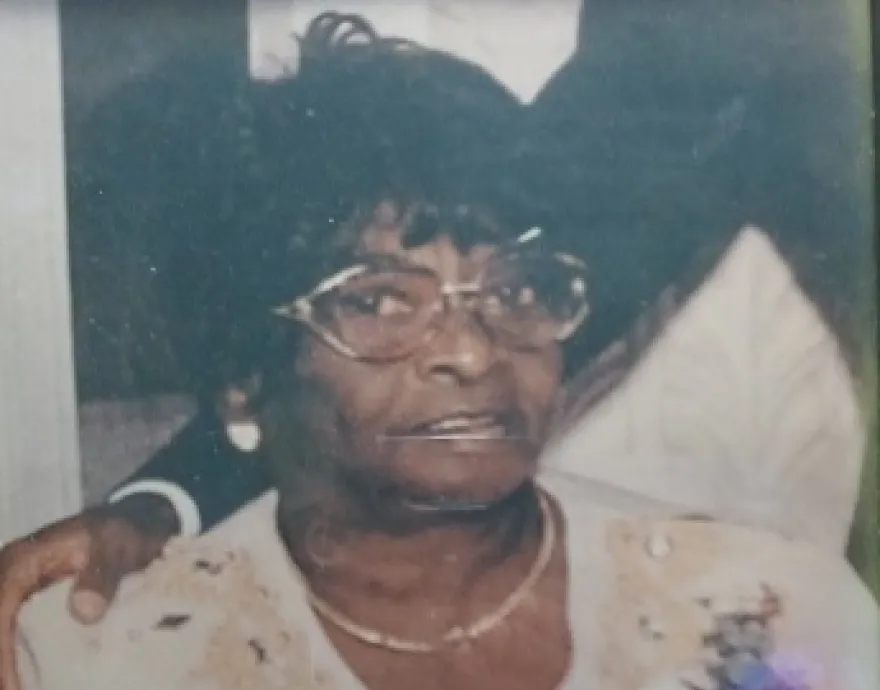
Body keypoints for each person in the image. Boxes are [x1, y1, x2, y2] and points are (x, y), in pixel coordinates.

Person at [3, 15, 877, 690]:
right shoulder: (101, 661)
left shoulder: (781, 614)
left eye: (515, 292)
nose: (469, 347)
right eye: (380, 298)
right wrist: (163, 501)